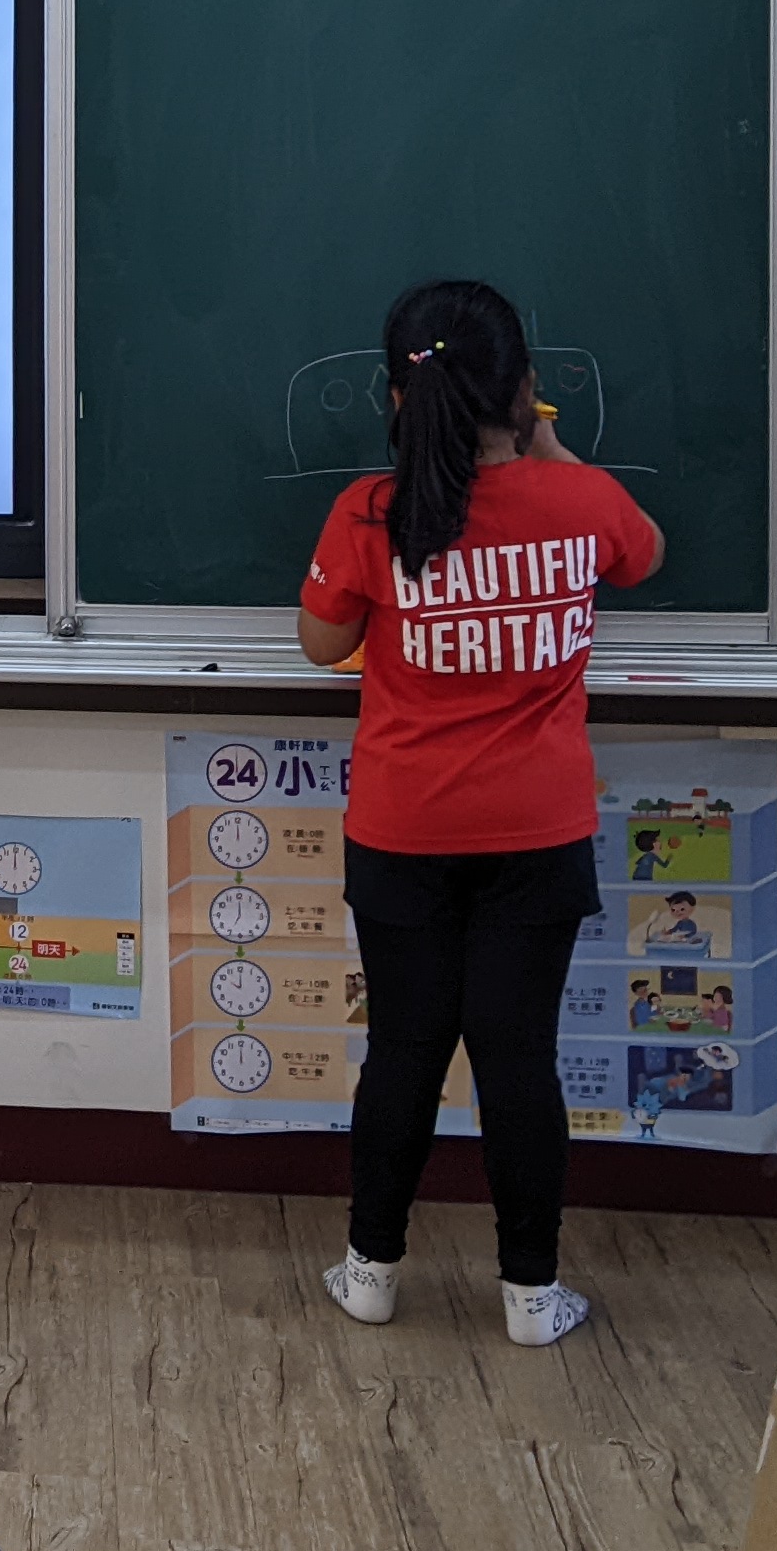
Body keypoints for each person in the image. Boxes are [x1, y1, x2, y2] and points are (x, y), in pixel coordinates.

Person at [295, 277, 661, 1348]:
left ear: (396, 399)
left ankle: (371, 1271)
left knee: (403, 1052)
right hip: (537, 837)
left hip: (405, 832)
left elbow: (323, 646)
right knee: (520, 1060)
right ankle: (532, 1298)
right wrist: (543, 447)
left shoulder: (371, 511)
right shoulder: (584, 505)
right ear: (528, 394)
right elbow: (645, 552)